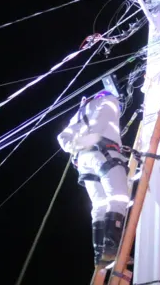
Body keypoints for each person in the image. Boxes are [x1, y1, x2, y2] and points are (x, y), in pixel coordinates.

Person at [57, 89, 130, 265]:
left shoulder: (80, 113)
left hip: (84, 161)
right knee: (119, 197)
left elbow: (62, 137)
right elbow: (102, 122)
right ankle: (111, 247)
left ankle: (100, 254)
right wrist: (94, 138)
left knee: (99, 204)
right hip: (104, 153)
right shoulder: (109, 100)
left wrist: (77, 145)